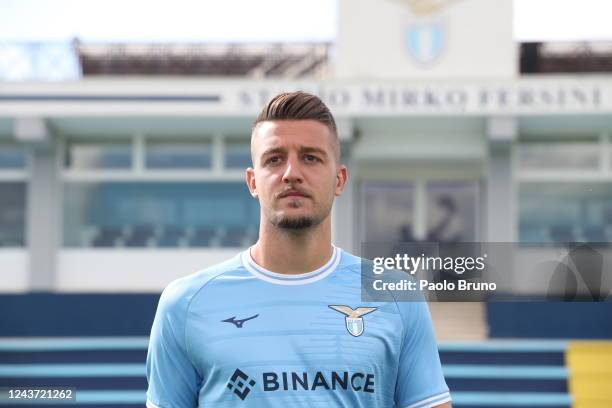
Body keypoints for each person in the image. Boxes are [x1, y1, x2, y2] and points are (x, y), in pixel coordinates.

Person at [146, 91, 451, 408]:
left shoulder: (396, 297)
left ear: (339, 179)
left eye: (310, 157)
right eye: (274, 159)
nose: (291, 172)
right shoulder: (185, 304)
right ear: (253, 181)